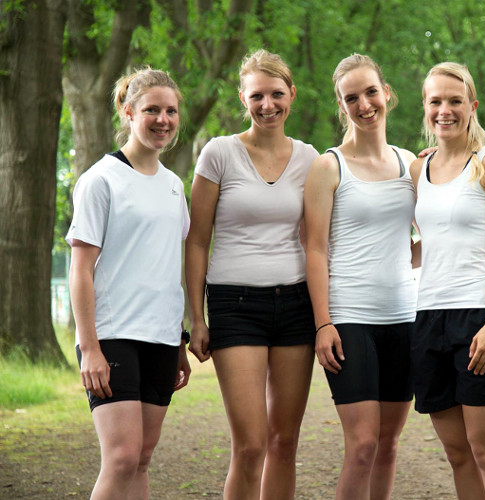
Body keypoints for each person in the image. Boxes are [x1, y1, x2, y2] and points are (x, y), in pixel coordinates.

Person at [185, 49, 319, 500]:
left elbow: (327, 231)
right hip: (235, 305)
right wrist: (197, 318)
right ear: (243, 97)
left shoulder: (309, 158)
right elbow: (197, 240)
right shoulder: (219, 153)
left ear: (291, 95)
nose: (268, 105)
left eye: (277, 94)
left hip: (296, 304)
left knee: (284, 443)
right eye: (257, 95)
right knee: (250, 446)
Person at [67, 68, 191, 499]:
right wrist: (90, 348)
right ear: (128, 111)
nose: (163, 119)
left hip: (159, 339)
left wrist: (178, 340)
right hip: (112, 336)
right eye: (152, 109)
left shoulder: (175, 186)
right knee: (120, 458)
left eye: (171, 110)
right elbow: (80, 269)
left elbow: (166, 269)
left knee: (141, 459)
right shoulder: (100, 180)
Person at [409, 62, 485, 500]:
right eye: (436, 101)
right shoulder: (419, 170)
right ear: (425, 108)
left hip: (480, 316)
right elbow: (428, 244)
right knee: (457, 453)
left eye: (455, 101)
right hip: (428, 317)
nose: (445, 110)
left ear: (471, 106)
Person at [303, 53, 417, 500]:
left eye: (371, 92)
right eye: (352, 98)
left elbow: (428, 238)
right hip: (349, 319)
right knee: (364, 445)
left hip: (404, 318)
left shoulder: (410, 164)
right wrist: (323, 322)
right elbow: (315, 249)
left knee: (388, 445)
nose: (364, 104)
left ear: (386, 92)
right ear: (341, 105)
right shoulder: (328, 167)